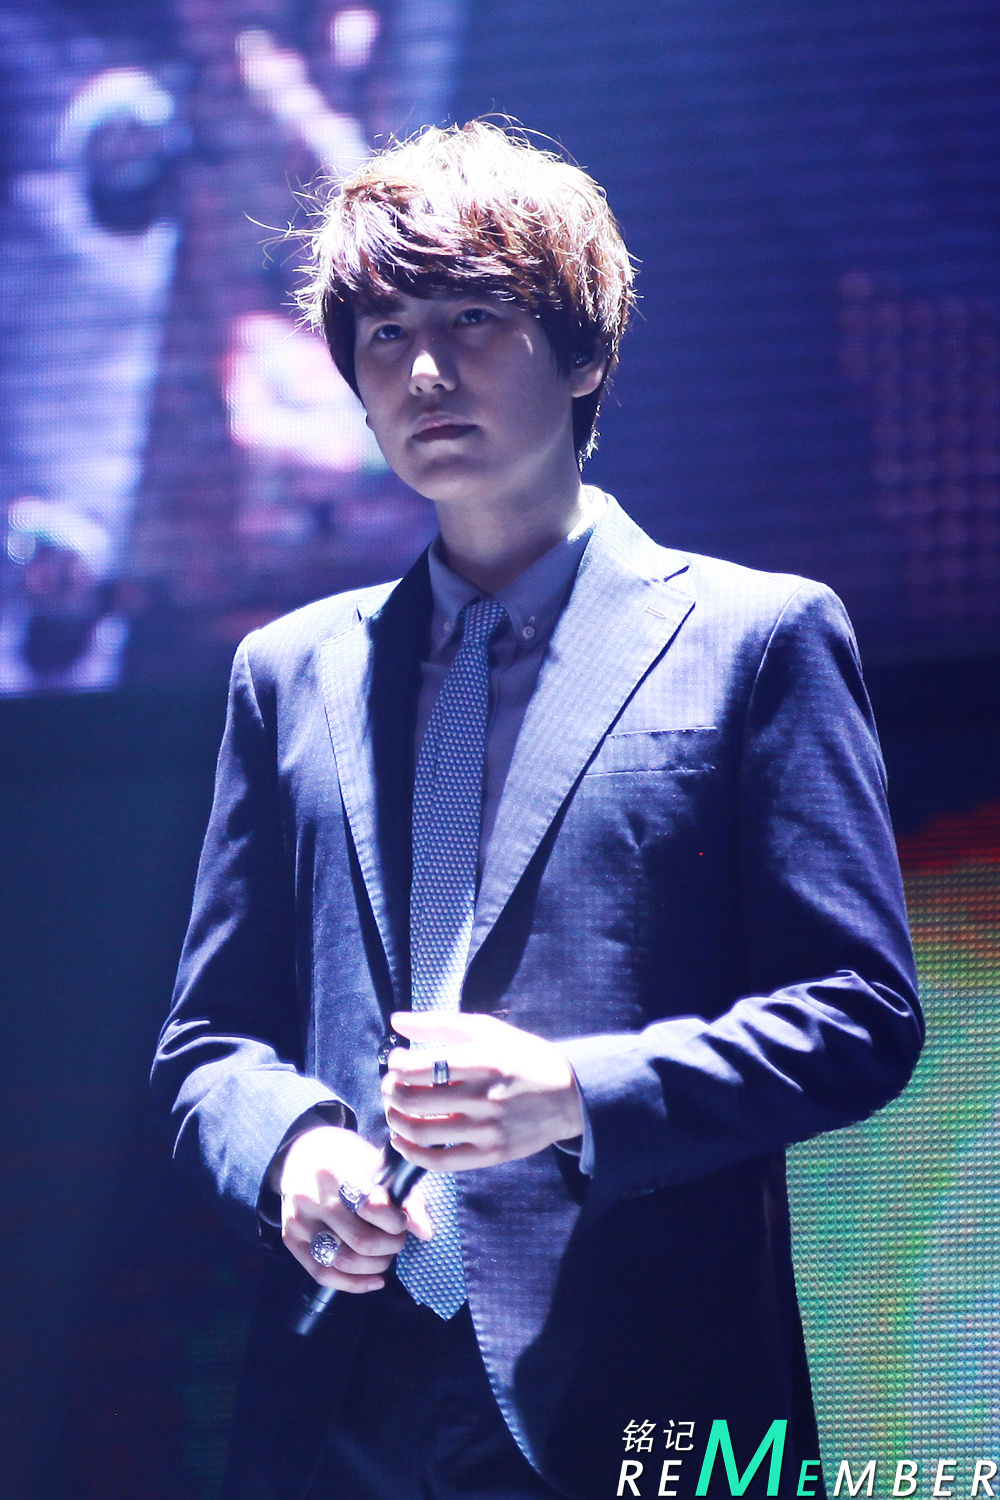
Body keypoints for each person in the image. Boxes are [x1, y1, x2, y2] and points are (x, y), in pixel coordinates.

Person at [152, 121, 922, 1500]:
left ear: (582, 354)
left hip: (647, 1383)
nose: (424, 372)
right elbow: (211, 1040)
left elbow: (861, 1014)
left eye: (472, 320)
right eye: (385, 336)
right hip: (345, 1396)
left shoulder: (754, 638)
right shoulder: (289, 672)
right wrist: (294, 1151)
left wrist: (574, 1093)